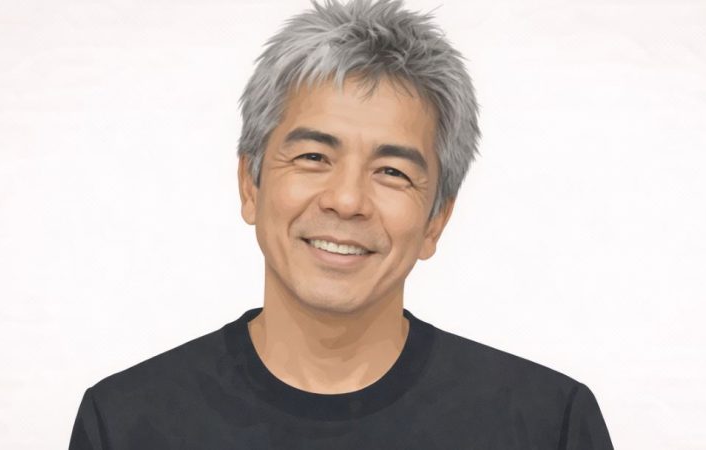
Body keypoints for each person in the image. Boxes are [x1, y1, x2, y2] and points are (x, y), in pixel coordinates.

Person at [69, 1, 614, 448]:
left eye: (393, 171)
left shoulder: (545, 424)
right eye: (313, 157)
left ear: (436, 220)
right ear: (250, 185)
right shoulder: (126, 423)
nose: (347, 200)